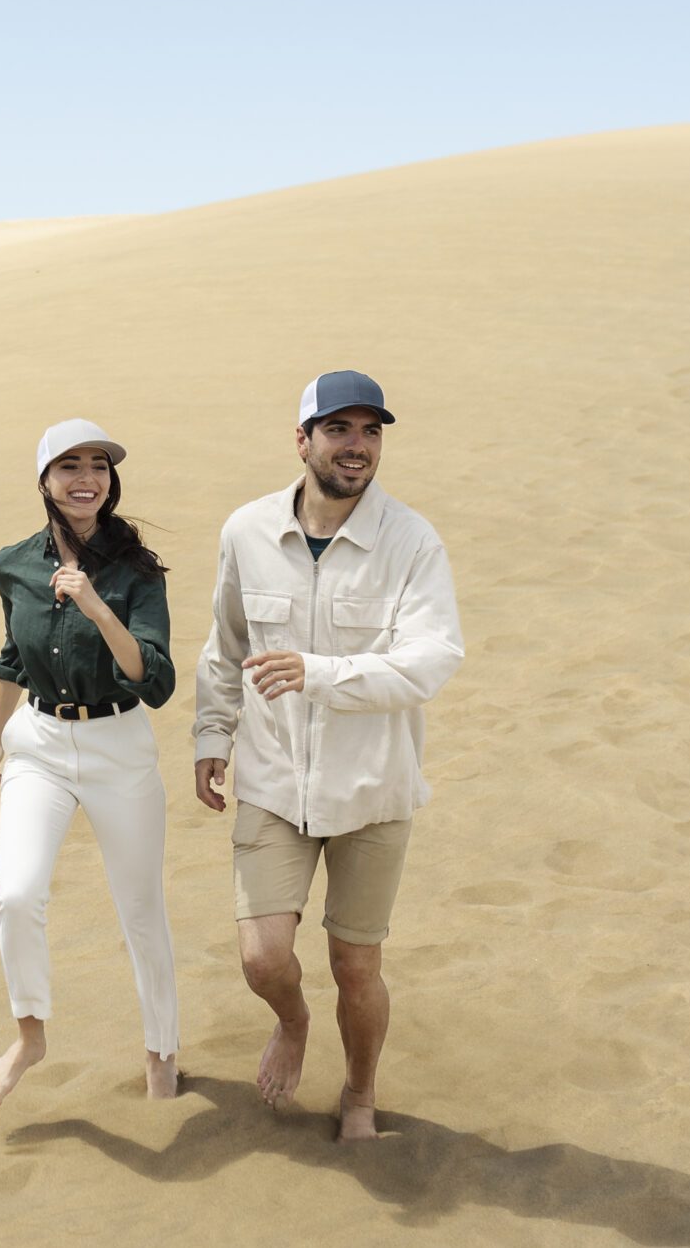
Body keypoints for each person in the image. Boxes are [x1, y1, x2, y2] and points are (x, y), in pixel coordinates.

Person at [192, 371, 465, 1142]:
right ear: (303, 439)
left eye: (370, 431)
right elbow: (226, 648)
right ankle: (292, 1020)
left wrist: (321, 674)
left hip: (373, 792)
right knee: (263, 957)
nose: (357, 446)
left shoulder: (411, 541)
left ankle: (360, 1093)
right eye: (339, 429)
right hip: (274, 783)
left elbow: (433, 659)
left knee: (356, 965)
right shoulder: (246, 530)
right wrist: (212, 736)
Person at [0, 418, 182, 1108]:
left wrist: (96, 606)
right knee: (17, 895)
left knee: (141, 911)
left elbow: (153, 680)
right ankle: (30, 1036)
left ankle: (161, 1050)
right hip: (38, 743)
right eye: (69, 466)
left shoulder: (137, 572)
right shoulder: (13, 564)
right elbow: (12, 656)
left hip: (118, 747)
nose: (86, 478)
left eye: (98, 465)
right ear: (44, 479)